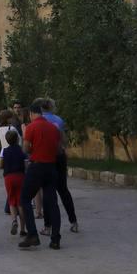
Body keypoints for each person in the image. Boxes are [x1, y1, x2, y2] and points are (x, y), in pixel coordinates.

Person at [18, 99, 62, 250]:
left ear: (31, 113)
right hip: (51, 167)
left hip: (37, 166)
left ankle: (32, 234)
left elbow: (25, 149)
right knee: (52, 202)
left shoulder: (31, 127)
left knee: (24, 198)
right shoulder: (54, 128)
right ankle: (55, 239)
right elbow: (58, 149)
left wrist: (33, 150)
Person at [41, 98, 79, 233]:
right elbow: (64, 140)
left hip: (45, 157)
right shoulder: (58, 120)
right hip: (59, 155)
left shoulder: (38, 121)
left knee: (47, 191)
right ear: (52, 107)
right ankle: (73, 221)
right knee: (63, 189)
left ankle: (48, 226)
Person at [0, 128, 26, 236]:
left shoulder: (4, 150)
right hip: (20, 176)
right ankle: (23, 229)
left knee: (11, 200)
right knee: (21, 202)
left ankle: (14, 220)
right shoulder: (21, 150)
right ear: (17, 139)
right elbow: (25, 163)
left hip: (8, 177)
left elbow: (0, 165)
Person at [0, 108, 16, 215]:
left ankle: (9, 205)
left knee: (9, 179)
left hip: (3, 154)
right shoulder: (12, 128)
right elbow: (19, 141)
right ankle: (9, 206)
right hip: (12, 153)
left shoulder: (0, 129)